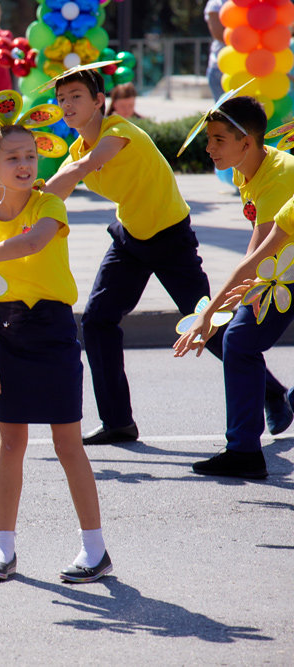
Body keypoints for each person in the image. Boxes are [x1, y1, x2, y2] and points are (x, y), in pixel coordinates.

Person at [45, 68, 291, 446]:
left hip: (171, 238)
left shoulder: (119, 132)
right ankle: (118, 422)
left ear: (99, 101)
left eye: (76, 96)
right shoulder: (76, 149)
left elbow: (85, 168)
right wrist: (24, 208)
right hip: (130, 237)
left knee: (208, 326)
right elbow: (56, 187)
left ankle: (273, 394)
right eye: (61, 99)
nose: (67, 105)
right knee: (96, 321)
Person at [0, 123, 111, 583]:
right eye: (12, 158)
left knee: (68, 444)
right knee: (11, 444)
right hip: (7, 336)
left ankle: (96, 550)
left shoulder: (49, 204)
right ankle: (2, 549)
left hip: (53, 332)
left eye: (30, 155)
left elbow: (33, 242)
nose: (25, 164)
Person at [173, 96, 294, 479]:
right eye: (208, 138)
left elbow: (257, 258)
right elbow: (257, 249)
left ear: (247, 141)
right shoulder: (247, 168)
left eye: (218, 139)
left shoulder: (279, 177)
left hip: (281, 268)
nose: (209, 147)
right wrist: (221, 310)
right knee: (239, 340)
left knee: (236, 339)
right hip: (283, 268)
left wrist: (207, 316)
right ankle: (243, 450)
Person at [205, 0, 225, 101]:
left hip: (248, 68)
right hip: (220, 67)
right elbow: (218, 34)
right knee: (225, 113)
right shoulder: (215, 4)